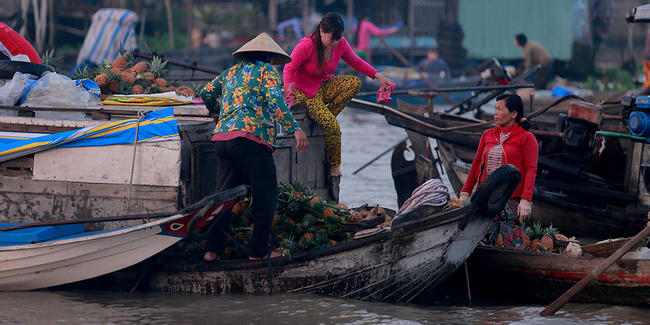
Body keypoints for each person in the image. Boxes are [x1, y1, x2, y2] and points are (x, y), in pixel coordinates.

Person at [199, 32, 308, 262]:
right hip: (250, 139)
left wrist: (218, 112)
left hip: (222, 138)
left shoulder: (230, 72)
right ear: (269, 57)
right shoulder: (266, 71)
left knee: (223, 199)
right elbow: (275, 101)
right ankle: (258, 252)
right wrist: (295, 129)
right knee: (266, 196)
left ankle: (212, 250)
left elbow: (206, 93)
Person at [283, 12, 393, 177]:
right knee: (334, 127)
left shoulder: (340, 44)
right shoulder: (307, 45)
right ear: (321, 32)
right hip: (304, 92)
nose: (335, 42)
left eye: (338, 38)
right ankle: (335, 166)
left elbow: (356, 61)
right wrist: (289, 94)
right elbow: (288, 68)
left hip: (323, 86)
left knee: (354, 83)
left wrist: (378, 75)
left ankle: (326, 119)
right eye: (332, 38)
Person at [458, 94, 538, 249]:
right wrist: (465, 192)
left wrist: (526, 200)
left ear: (514, 114)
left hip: (511, 201)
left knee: (513, 247)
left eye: (500, 109)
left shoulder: (526, 138)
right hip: (485, 199)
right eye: (495, 109)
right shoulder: (488, 134)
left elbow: (531, 170)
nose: (495, 113)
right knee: (479, 244)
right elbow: (475, 164)